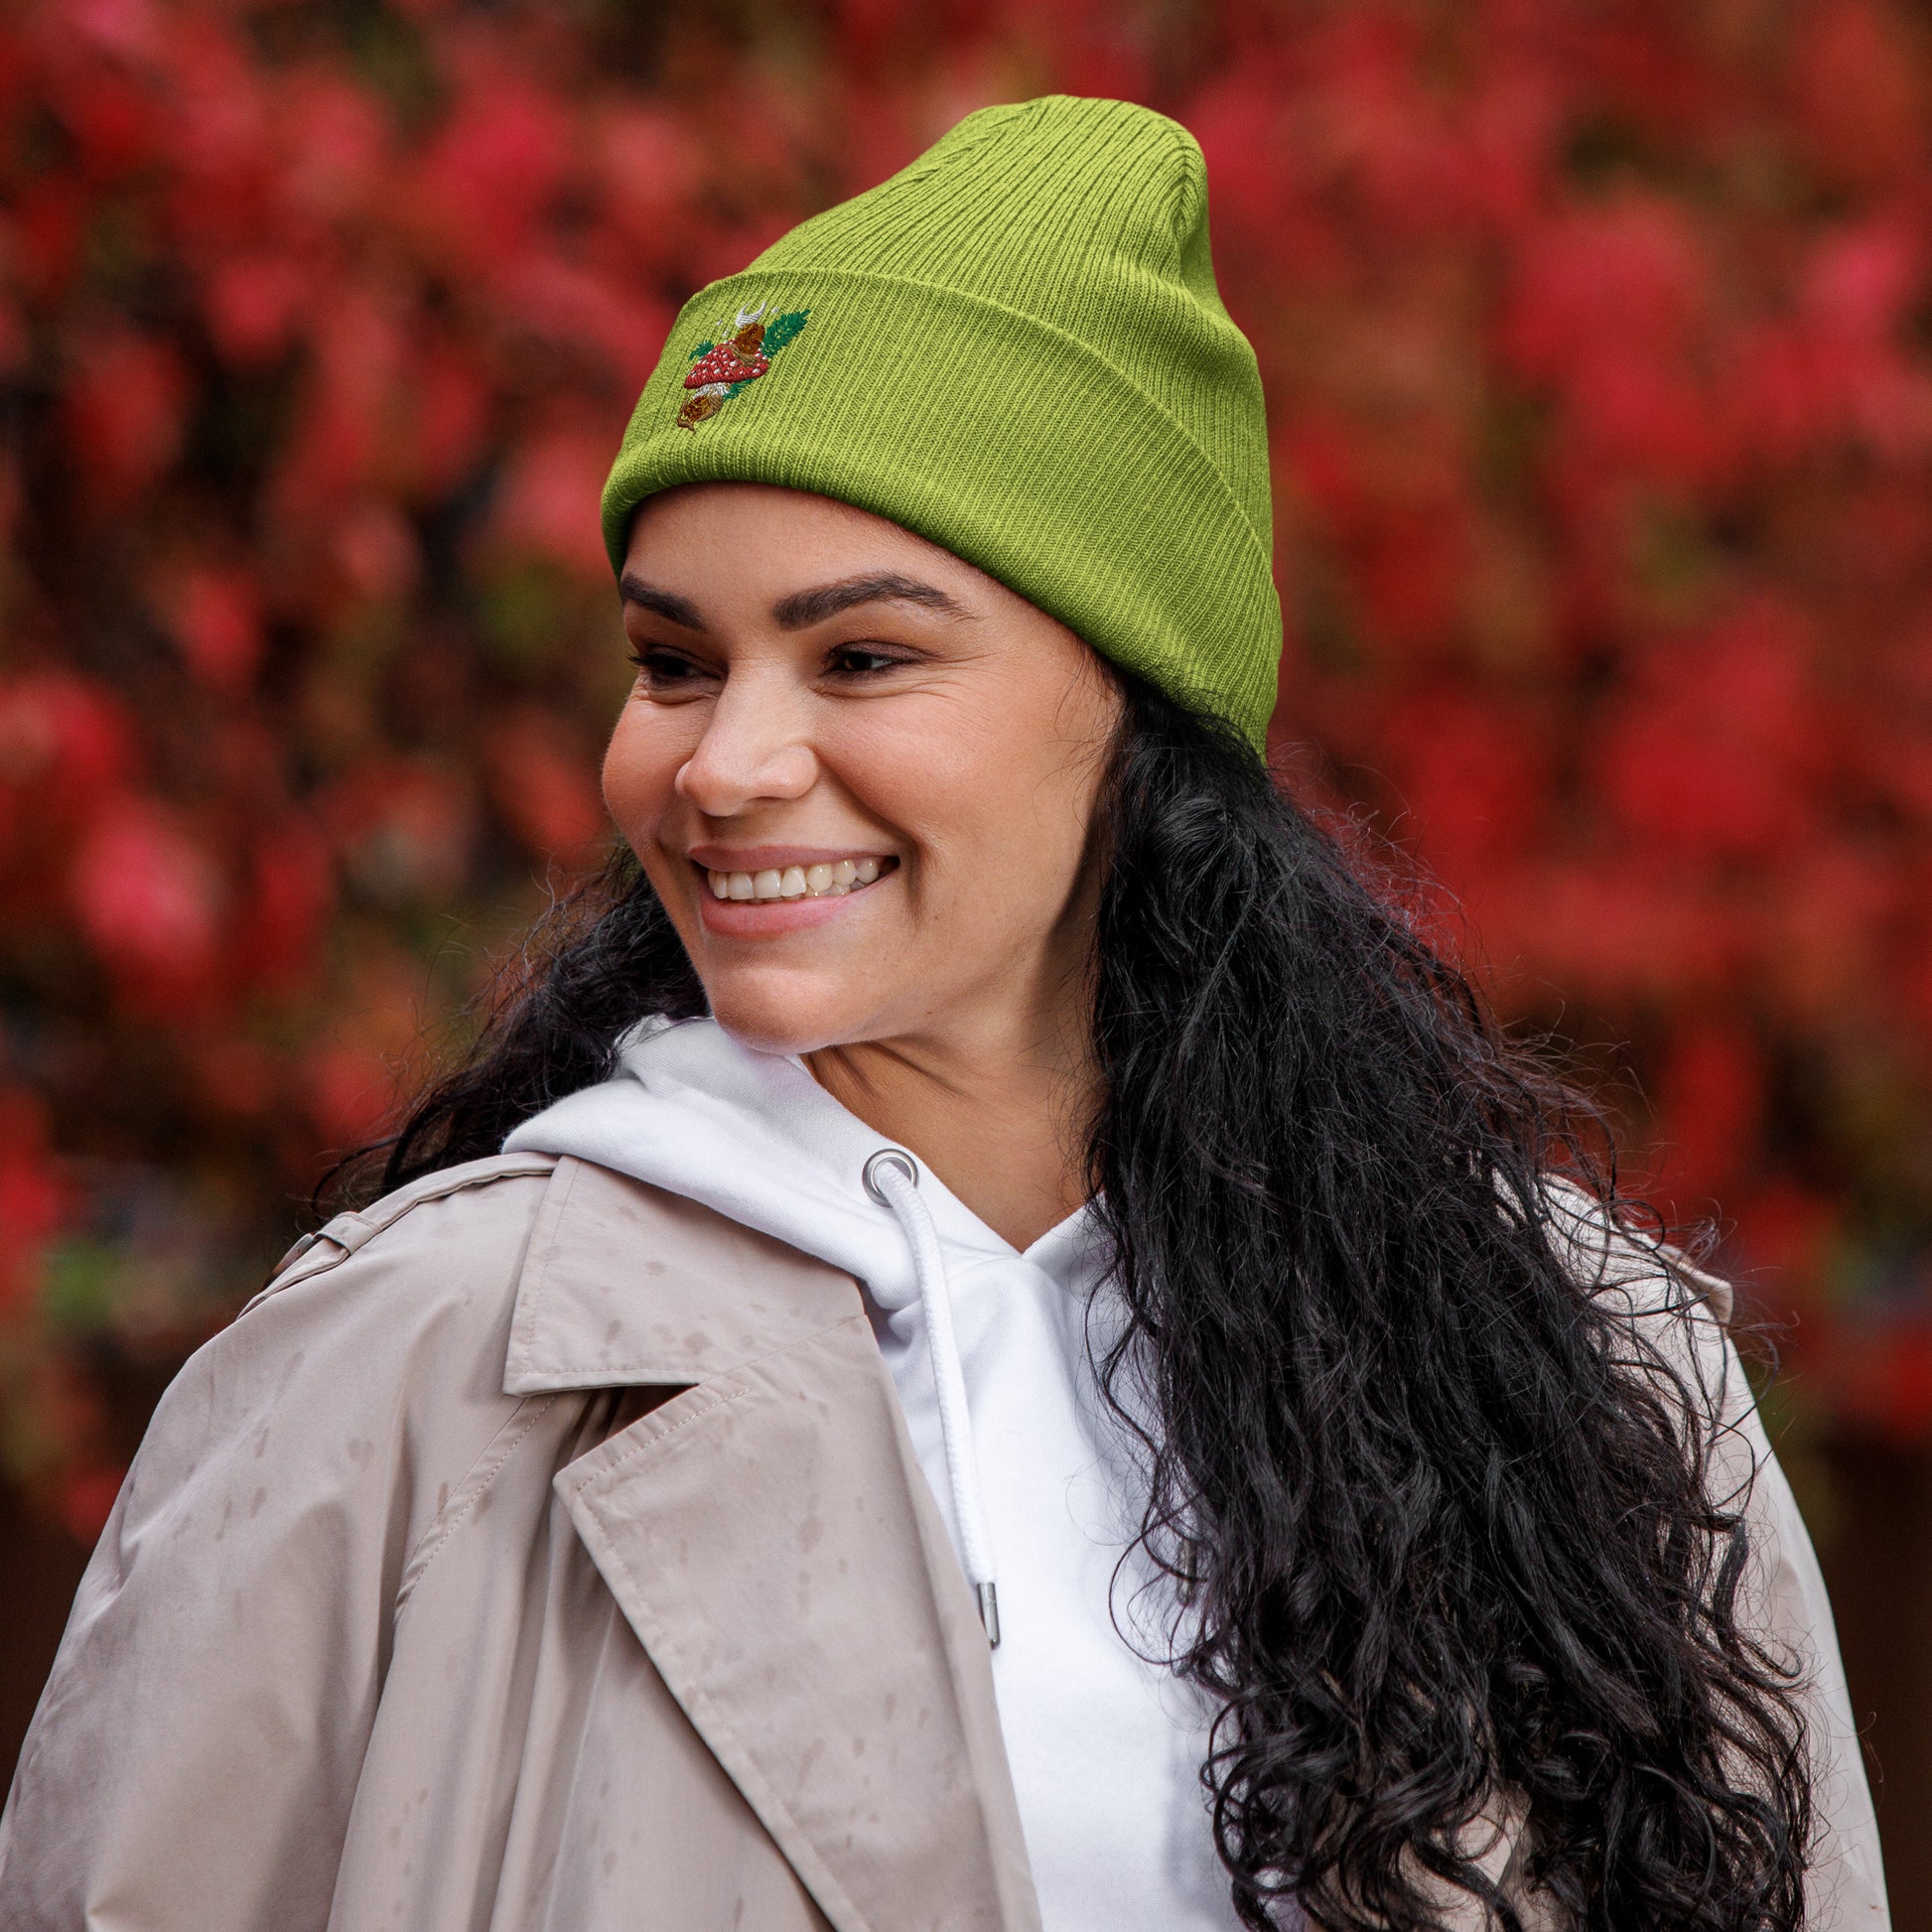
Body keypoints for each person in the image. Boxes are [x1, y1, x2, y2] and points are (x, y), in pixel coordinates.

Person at [0, 95, 1888, 1932]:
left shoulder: (1578, 1371)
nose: (724, 761)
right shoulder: (407, 1368)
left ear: (1134, 717)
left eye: (861, 655)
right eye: (673, 662)